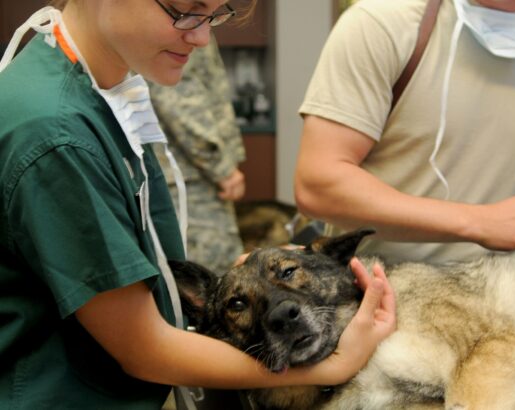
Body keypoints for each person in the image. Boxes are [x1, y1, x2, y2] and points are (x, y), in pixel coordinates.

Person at [0, 1, 396, 409]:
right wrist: (333, 364)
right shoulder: (56, 134)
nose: (203, 36)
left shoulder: (101, 95)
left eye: (214, 15)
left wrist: (255, 280)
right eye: (184, 11)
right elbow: (144, 348)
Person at [295, 0, 515, 265]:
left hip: (505, 307)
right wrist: (480, 222)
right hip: (376, 303)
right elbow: (318, 183)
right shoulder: (382, 25)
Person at [149, 37, 246, 274]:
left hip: (186, 173)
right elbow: (178, 98)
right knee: (211, 279)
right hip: (189, 177)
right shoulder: (181, 23)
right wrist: (221, 167)